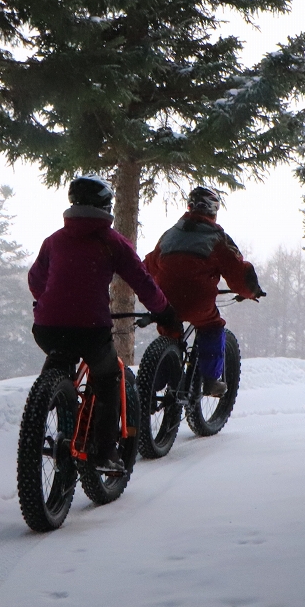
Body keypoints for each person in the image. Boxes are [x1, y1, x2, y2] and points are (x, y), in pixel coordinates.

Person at [28, 175, 179, 473]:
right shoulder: (112, 243)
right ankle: (105, 453)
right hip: (90, 330)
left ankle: (48, 409)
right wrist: (164, 311)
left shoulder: (54, 240)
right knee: (109, 378)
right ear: (106, 207)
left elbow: (36, 280)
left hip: (47, 328)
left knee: (60, 360)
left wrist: (51, 302)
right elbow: (142, 282)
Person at [145, 186, 264, 397]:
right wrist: (251, 292)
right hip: (196, 302)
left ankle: (156, 379)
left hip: (164, 300)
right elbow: (238, 274)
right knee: (212, 326)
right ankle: (210, 381)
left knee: (170, 324)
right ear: (213, 211)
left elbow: (150, 265)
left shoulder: (169, 235)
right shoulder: (217, 238)